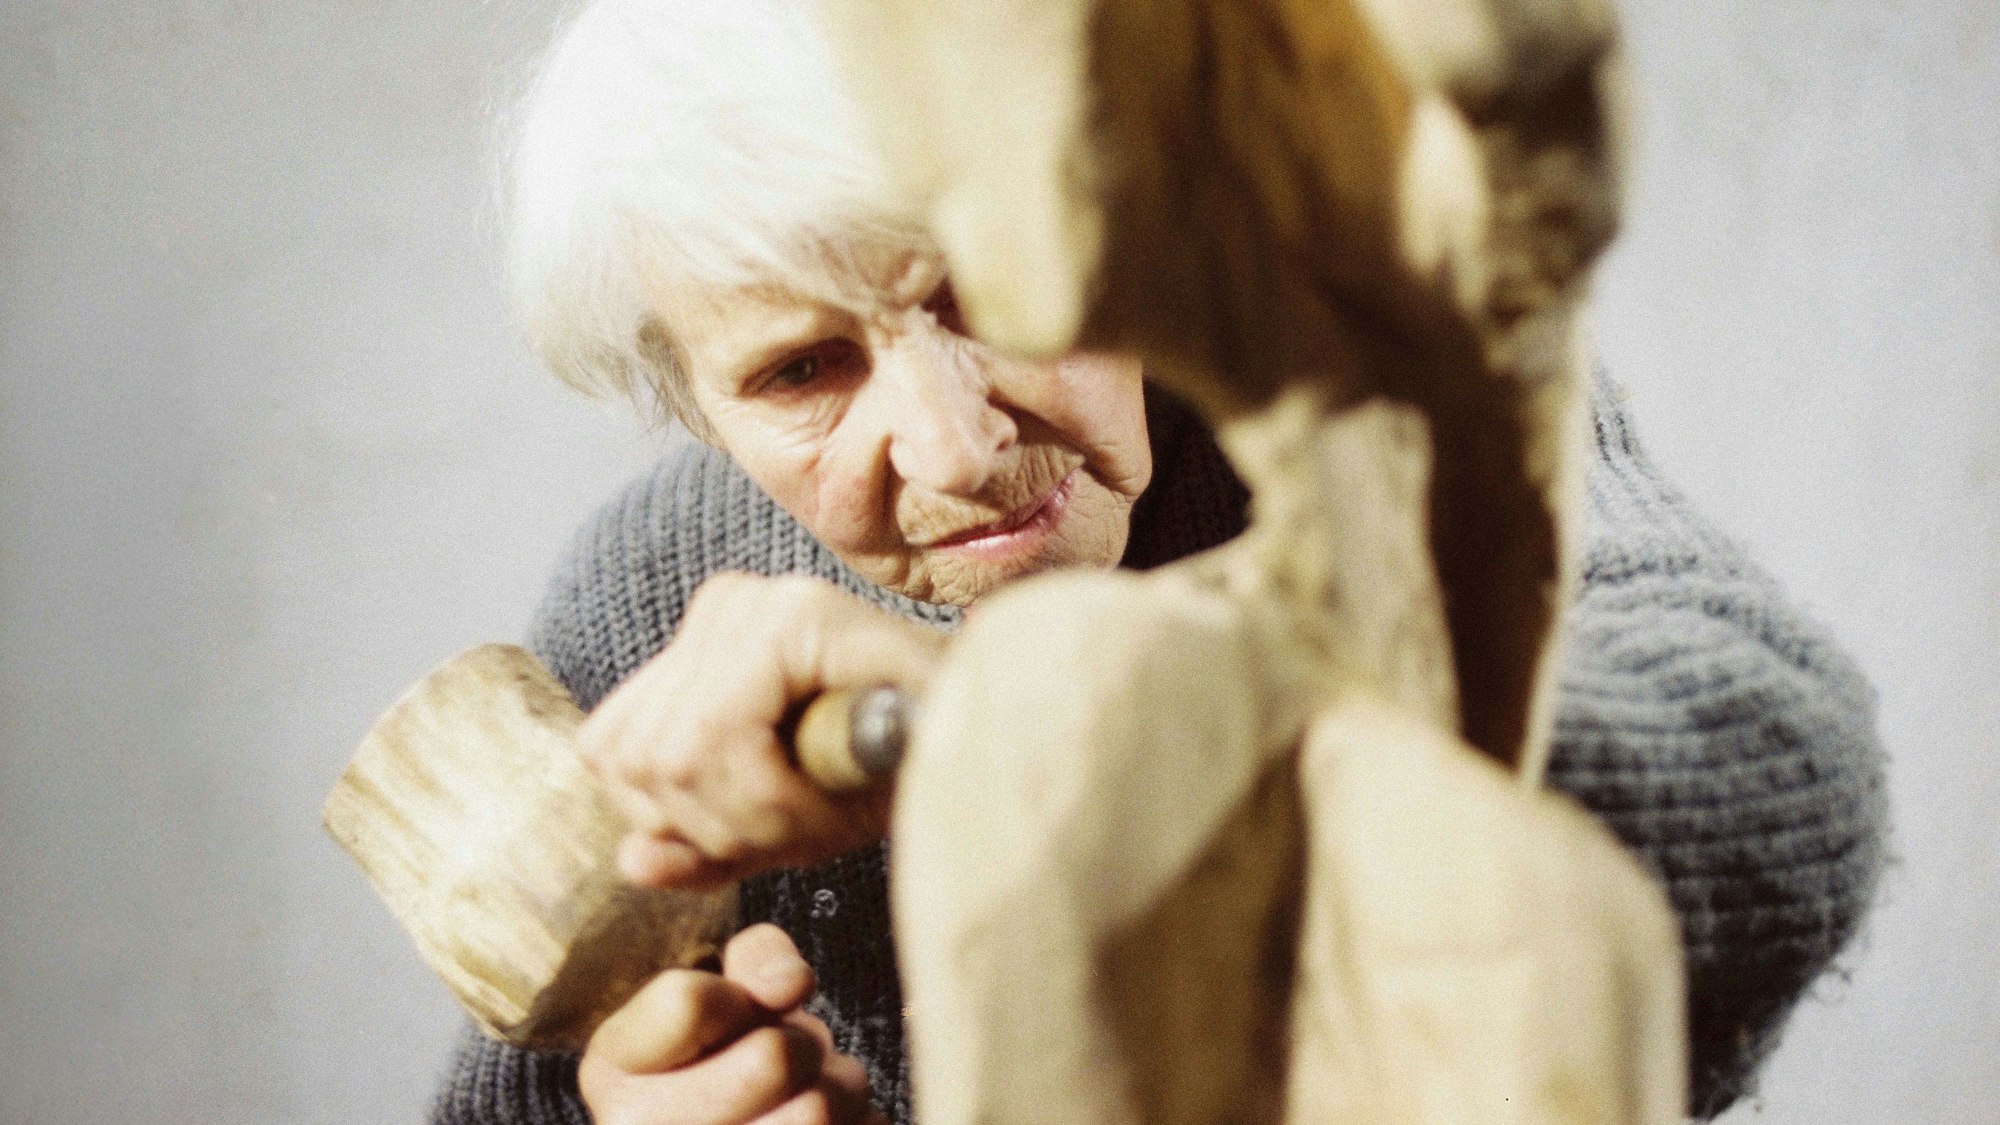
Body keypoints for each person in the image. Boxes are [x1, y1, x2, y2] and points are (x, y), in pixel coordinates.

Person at [430, 2, 1888, 1122]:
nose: (948, 450)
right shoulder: (654, 601)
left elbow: (1776, 770)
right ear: (693, 402)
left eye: (996, 287)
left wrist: (1047, 727)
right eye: (804, 369)